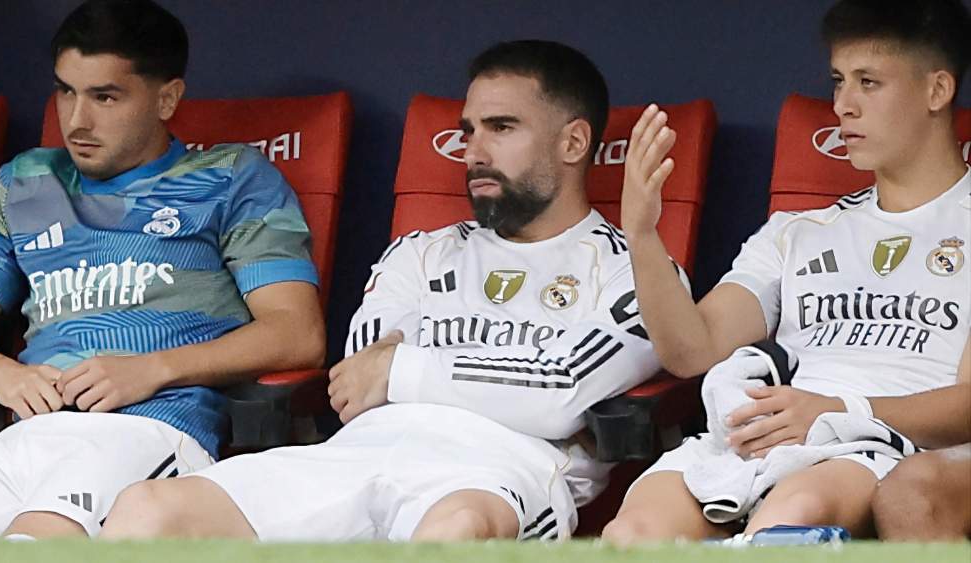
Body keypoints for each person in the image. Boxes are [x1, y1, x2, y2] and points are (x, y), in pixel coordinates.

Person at [98, 39, 688, 542]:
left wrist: (405, 371)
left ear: (573, 142)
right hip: (356, 453)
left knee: (451, 531)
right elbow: (360, 381)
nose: (473, 151)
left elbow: (559, 393)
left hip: (495, 472)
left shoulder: (637, 271)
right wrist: (510, 380)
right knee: (147, 511)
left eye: (502, 128)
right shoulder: (420, 251)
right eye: (467, 131)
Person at [602, 0, 970, 544]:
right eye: (839, 82)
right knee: (631, 535)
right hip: (770, 435)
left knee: (790, 520)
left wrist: (838, 410)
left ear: (937, 91)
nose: (843, 105)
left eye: (869, 82)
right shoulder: (797, 230)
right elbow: (691, 349)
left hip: (888, 443)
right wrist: (642, 234)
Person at [0, 0, 325, 539]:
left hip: (149, 431)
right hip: (25, 437)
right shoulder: (27, 181)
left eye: (105, 97)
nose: (76, 120)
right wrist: (0, 371)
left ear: (167, 98)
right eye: (65, 90)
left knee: (39, 538)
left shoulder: (232, 177)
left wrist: (152, 369)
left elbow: (296, 334)